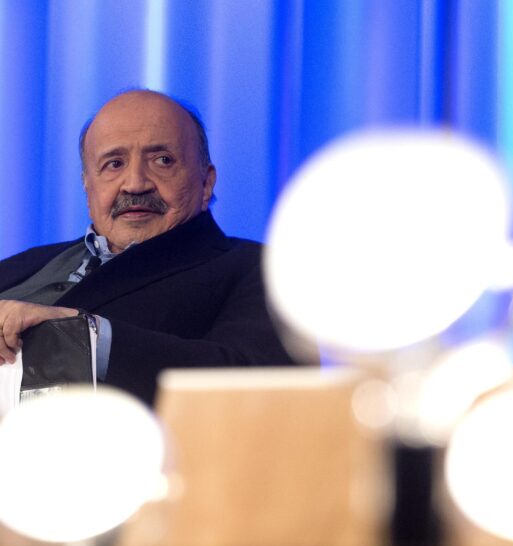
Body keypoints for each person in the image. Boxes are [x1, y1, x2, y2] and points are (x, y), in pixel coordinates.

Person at [0, 89, 296, 404]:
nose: (135, 184)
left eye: (162, 161)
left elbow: (257, 383)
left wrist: (79, 335)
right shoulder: (22, 264)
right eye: (114, 164)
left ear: (206, 181)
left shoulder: (259, 269)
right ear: (88, 185)